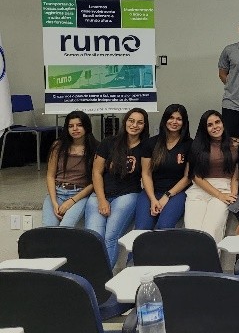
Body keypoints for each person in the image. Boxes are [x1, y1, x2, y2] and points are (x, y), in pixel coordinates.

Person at [85, 108, 149, 267]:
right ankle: (93, 275)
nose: (134, 125)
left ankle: (104, 277)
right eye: (131, 121)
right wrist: (102, 200)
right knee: (93, 237)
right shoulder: (108, 143)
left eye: (139, 122)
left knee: (110, 237)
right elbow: (96, 172)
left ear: (144, 125)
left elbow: (147, 174)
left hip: (127, 194)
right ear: (125, 122)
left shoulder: (146, 147)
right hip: (100, 194)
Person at [185, 110, 238, 241]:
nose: (215, 127)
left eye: (217, 122)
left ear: (223, 123)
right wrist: (218, 194)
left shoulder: (234, 145)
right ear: (205, 129)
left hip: (224, 188)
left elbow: (235, 175)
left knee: (211, 231)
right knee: (192, 232)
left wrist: (233, 195)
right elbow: (195, 176)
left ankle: (212, 255)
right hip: (199, 189)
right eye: (210, 125)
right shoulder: (197, 145)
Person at [136, 104, 192, 229]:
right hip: (151, 191)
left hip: (177, 193)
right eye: (171, 118)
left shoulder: (189, 144)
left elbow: (187, 177)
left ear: (184, 122)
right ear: (165, 119)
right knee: (141, 228)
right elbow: (146, 173)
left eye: (179, 119)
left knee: (164, 226)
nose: (174, 122)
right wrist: (153, 199)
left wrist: (167, 195)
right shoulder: (151, 143)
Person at [42, 110, 99, 227]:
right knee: (48, 229)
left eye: (79, 125)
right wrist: (54, 202)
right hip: (57, 192)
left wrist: (72, 201)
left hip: (79, 194)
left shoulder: (95, 148)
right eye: (71, 126)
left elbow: (95, 182)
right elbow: (50, 176)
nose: (75, 129)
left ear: (86, 126)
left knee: (66, 227)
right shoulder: (58, 146)